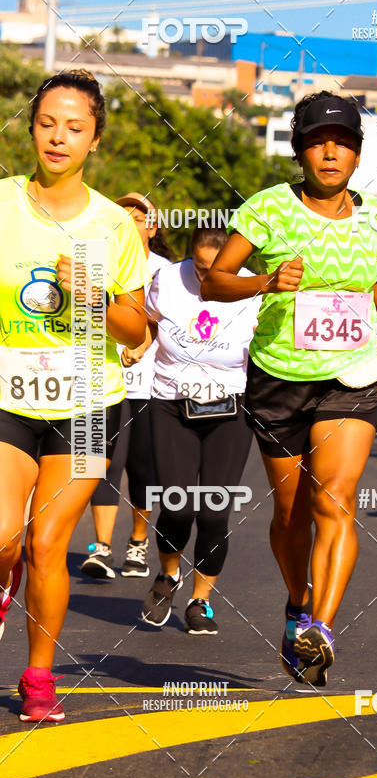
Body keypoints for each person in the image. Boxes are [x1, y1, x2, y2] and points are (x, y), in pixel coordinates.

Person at [201, 91, 377, 685]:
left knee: (336, 498)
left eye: (344, 143)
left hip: (352, 374)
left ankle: (320, 629)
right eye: (318, 142)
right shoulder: (268, 209)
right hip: (279, 377)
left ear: (357, 155)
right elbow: (215, 283)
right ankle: (298, 604)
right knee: (291, 516)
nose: (331, 152)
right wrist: (265, 281)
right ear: (301, 150)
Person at [0, 70, 149, 722]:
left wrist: (96, 296)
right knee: (5, 535)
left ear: (94, 140)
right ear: (32, 126)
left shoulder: (113, 225)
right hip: (9, 393)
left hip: (89, 403)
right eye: (47, 123)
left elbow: (136, 327)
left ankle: (38, 675)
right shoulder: (3, 203)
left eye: (74, 128)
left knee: (47, 541)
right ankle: (5, 579)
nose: (57, 137)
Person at [140, 225, 259, 633]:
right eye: (202, 268)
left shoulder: (252, 289)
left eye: (218, 270)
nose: (208, 279)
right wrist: (138, 346)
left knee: (214, 512)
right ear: (190, 256)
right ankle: (168, 575)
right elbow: (150, 321)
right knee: (177, 503)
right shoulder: (169, 279)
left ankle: (200, 601)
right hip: (171, 403)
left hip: (230, 409)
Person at [82, 193, 173, 580]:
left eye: (139, 218)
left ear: (152, 227)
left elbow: (166, 321)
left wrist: (142, 346)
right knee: (102, 465)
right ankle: (101, 547)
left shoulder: (166, 270)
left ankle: (137, 544)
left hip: (150, 385)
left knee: (142, 468)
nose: (130, 224)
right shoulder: (96, 262)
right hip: (103, 383)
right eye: (124, 217)